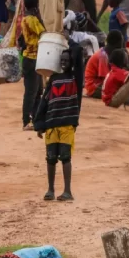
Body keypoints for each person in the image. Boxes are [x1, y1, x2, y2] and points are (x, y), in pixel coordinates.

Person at [35, 43, 86, 201]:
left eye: (67, 60)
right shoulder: (53, 79)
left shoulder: (75, 78)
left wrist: (66, 40)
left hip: (67, 124)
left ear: (72, 62)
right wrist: (39, 124)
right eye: (61, 60)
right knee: (50, 157)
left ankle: (67, 191)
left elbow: (78, 52)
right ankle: (50, 189)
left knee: (65, 157)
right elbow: (44, 101)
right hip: (51, 123)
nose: (64, 63)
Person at [19, 0, 45, 130]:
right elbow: (43, 32)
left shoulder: (25, 19)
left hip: (32, 58)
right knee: (31, 91)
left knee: (38, 90)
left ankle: (34, 118)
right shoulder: (32, 20)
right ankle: (26, 120)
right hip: (32, 58)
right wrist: (39, 16)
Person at [86, 29, 124, 99]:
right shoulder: (103, 56)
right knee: (121, 94)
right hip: (95, 88)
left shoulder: (107, 53)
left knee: (124, 92)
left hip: (100, 85)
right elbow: (106, 79)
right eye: (120, 45)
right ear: (115, 44)